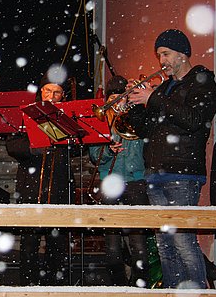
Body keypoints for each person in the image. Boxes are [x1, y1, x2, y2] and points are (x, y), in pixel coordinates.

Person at [128, 29, 216, 289]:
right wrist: (136, 107)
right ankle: (172, 292)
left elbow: (194, 120)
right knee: (164, 245)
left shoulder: (201, 81)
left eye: (166, 54)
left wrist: (154, 98)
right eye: (159, 55)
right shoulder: (165, 89)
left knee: (183, 242)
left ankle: (198, 292)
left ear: (182, 54)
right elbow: (147, 130)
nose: (161, 61)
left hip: (183, 172)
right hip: (156, 172)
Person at [5, 73, 73, 286]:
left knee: (58, 243)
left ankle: (56, 287)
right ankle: (28, 286)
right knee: (29, 243)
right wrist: (34, 148)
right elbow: (12, 145)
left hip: (60, 185)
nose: (51, 96)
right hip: (31, 185)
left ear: (63, 95)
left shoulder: (68, 114)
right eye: (47, 91)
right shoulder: (26, 113)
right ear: (40, 92)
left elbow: (80, 146)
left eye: (57, 93)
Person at [88, 76, 151, 287]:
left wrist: (135, 115)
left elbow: (149, 149)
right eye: (113, 99)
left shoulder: (137, 117)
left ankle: (140, 286)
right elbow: (94, 154)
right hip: (110, 181)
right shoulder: (103, 120)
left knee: (138, 244)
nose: (117, 103)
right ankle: (118, 287)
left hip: (136, 181)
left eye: (121, 98)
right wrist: (108, 149)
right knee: (112, 247)